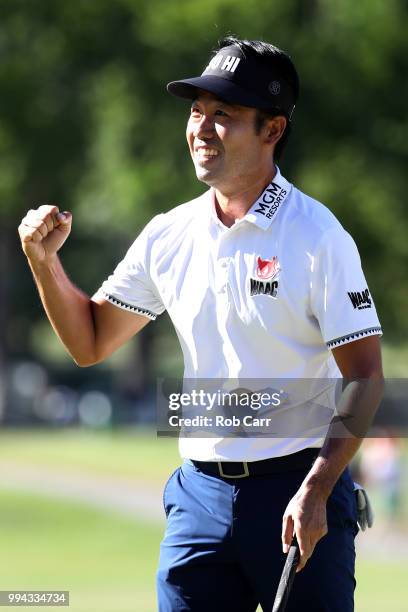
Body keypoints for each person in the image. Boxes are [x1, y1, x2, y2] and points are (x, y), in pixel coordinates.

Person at [19, 37, 384, 611]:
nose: (202, 130)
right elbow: (89, 341)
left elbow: (366, 377)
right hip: (200, 496)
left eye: (224, 116)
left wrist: (317, 489)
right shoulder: (170, 233)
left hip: (298, 486)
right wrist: (46, 266)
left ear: (273, 131)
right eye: (196, 112)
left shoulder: (319, 237)